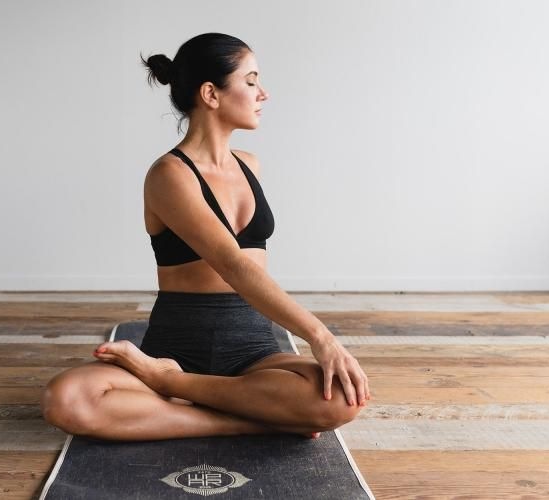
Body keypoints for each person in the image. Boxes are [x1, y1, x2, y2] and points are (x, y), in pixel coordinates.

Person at [41, 33, 370, 441]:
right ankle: (243, 415)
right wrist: (321, 336)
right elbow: (232, 264)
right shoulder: (169, 175)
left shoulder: (250, 165)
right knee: (67, 399)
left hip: (252, 349)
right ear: (211, 94)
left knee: (343, 397)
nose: (262, 93)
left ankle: (176, 389)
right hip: (175, 346)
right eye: (250, 81)